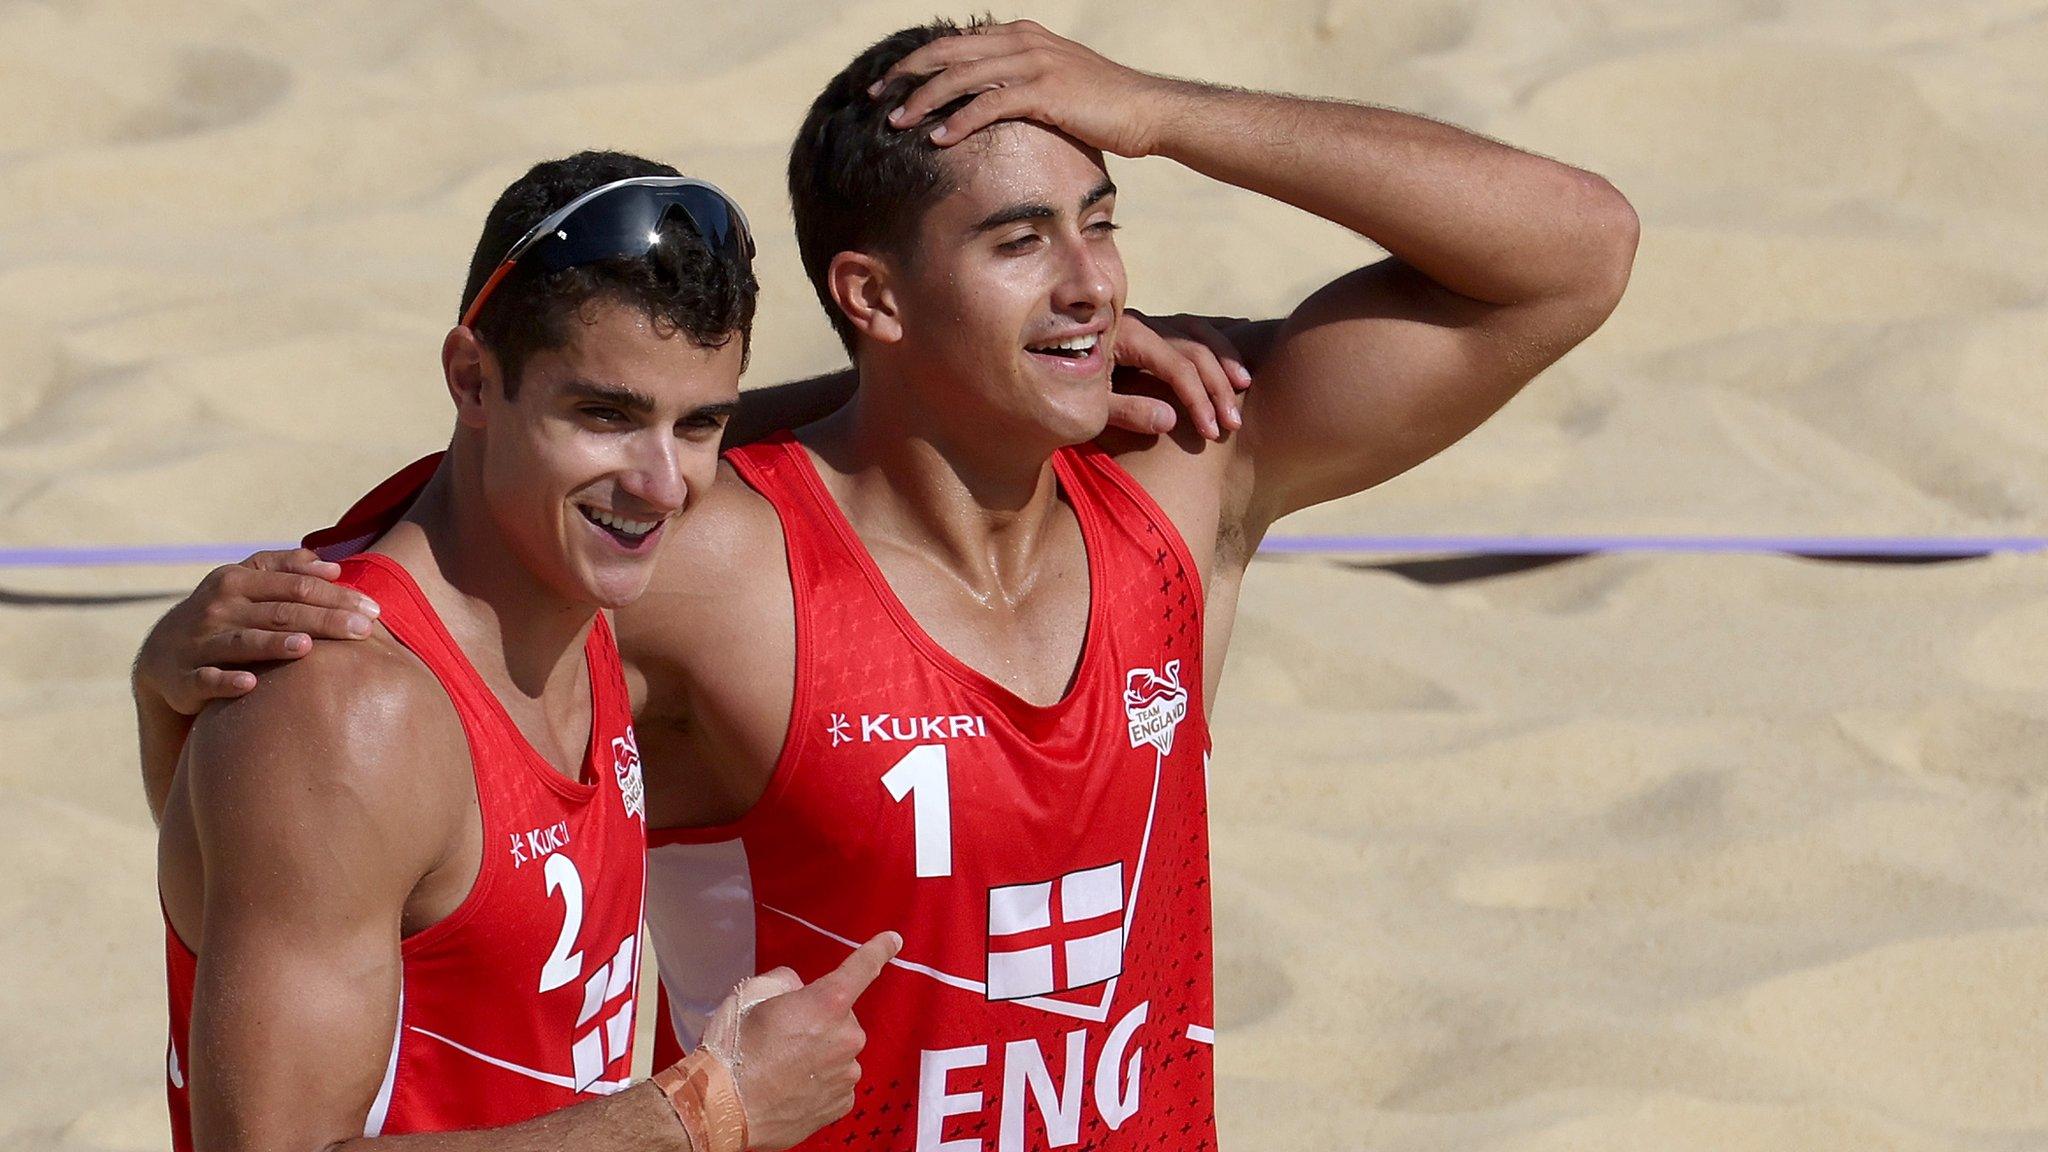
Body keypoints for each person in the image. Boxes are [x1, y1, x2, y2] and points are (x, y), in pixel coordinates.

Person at [136, 18, 1639, 1152]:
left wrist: (1163, 112)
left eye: (1101, 221)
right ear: (872, 298)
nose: (1090, 283)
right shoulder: (708, 565)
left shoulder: (1185, 467)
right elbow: (507, 508)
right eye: (1020, 242)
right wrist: (184, 675)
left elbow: (1574, 250)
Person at [151, 150, 900, 1152]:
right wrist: (700, 1115)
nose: (661, 486)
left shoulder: (567, 583)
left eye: (699, 425)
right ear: (472, 379)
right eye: (606, 416)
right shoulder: (350, 712)